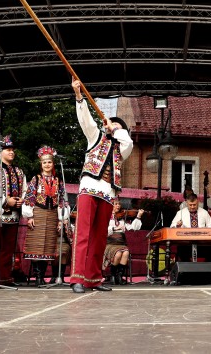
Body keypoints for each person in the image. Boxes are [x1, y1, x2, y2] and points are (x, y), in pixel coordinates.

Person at [70, 78, 134, 293]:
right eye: (111, 123)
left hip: (107, 194)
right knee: (84, 235)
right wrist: (79, 96)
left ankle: (93, 279)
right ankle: (77, 278)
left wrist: (115, 128)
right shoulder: (95, 137)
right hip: (88, 189)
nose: (112, 125)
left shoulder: (121, 149)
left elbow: (128, 142)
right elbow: (86, 120)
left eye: (117, 125)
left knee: (99, 239)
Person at [22, 146, 69, 286]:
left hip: (53, 215)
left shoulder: (58, 181)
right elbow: (29, 197)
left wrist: (62, 219)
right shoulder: (36, 179)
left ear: (53, 163)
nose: (47, 165)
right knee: (37, 246)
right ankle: (38, 277)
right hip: (38, 214)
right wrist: (29, 216)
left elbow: (62, 200)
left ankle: (43, 276)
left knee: (48, 246)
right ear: (41, 164)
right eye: (44, 163)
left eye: (49, 162)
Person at [0, 135, 27, 286]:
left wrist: (20, 201)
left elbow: (25, 190)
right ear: (0, 152)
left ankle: (5, 278)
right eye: (8, 150)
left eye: (12, 150)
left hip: (14, 215)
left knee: (8, 248)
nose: (11, 152)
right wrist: (6, 200)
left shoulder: (19, 172)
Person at [103, 199, 144, 285]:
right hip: (110, 243)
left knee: (126, 253)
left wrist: (138, 216)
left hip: (121, 243)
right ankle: (113, 275)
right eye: (116, 204)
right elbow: (102, 230)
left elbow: (133, 227)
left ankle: (119, 276)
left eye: (119, 204)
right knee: (118, 254)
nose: (118, 206)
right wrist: (114, 228)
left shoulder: (121, 218)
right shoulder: (105, 216)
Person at [170, 193, 211, 262]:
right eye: (190, 205)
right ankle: (189, 271)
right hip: (186, 244)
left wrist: (206, 230)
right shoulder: (180, 213)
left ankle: (205, 271)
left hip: (202, 243)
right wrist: (177, 226)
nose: (192, 207)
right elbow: (172, 227)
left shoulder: (204, 212)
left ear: (197, 202)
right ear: (186, 203)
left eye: (194, 204)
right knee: (180, 250)